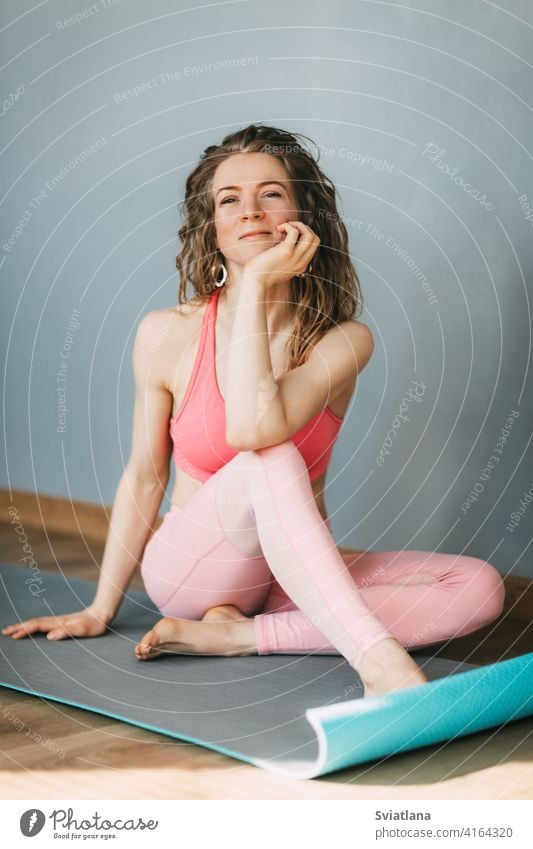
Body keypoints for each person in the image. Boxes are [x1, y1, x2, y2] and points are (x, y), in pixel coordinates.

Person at [1, 124, 505, 699]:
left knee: (478, 587)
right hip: (191, 569)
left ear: (303, 215)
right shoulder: (166, 334)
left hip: (284, 579)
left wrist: (262, 284)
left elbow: (254, 418)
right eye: (229, 200)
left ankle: (236, 636)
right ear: (211, 227)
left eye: (271, 194)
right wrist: (100, 607)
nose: (250, 212)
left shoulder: (341, 340)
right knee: (269, 456)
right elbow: (161, 468)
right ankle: (380, 664)